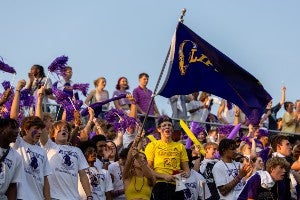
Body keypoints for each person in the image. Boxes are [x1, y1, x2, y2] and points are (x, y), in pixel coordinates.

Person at [144, 115, 190, 200]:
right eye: (164, 125)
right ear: (158, 129)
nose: (167, 127)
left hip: (178, 184)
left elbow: (187, 170)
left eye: (169, 125)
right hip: (160, 184)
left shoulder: (180, 146)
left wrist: (186, 174)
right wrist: (163, 176)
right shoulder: (153, 145)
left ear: (172, 129)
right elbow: (148, 168)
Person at [0, 118, 23, 200]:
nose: (17, 131)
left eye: (17, 128)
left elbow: (12, 186)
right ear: (1, 129)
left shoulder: (17, 157)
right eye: (12, 127)